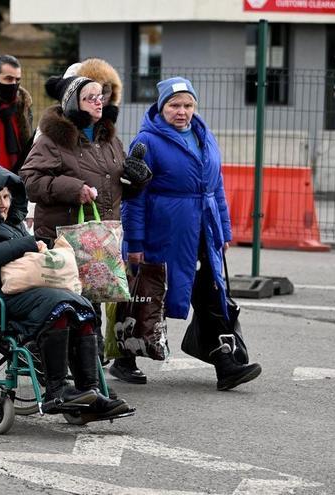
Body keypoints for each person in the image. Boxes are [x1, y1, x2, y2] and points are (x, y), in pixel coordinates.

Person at [0, 165, 132, 420]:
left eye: (7, 197)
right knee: (60, 304)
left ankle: (90, 390)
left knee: (81, 305)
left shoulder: (13, 223)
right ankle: (56, 390)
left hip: (25, 290)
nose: (3, 204)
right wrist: (22, 244)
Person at [122, 77, 262, 391]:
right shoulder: (147, 142)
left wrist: (223, 230)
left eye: (187, 105)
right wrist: (134, 242)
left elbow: (217, 187)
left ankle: (225, 365)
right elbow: (134, 199)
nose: (182, 112)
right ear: (161, 107)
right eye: (174, 105)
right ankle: (124, 357)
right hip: (164, 233)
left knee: (210, 294)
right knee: (148, 297)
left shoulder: (204, 135)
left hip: (202, 230)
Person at [20, 70, 150, 382]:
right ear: (73, 103)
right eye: (89, 97)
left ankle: (89, 379)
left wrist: (136, 181)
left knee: (90, 306)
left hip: (100, 240)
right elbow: (29, 180)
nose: (98, 102)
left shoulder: (109, 139)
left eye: (100, 96)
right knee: (67, 307)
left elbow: (117, 186)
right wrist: (71, 189)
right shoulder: (53, 139)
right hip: (62, 239)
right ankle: (57, 370)